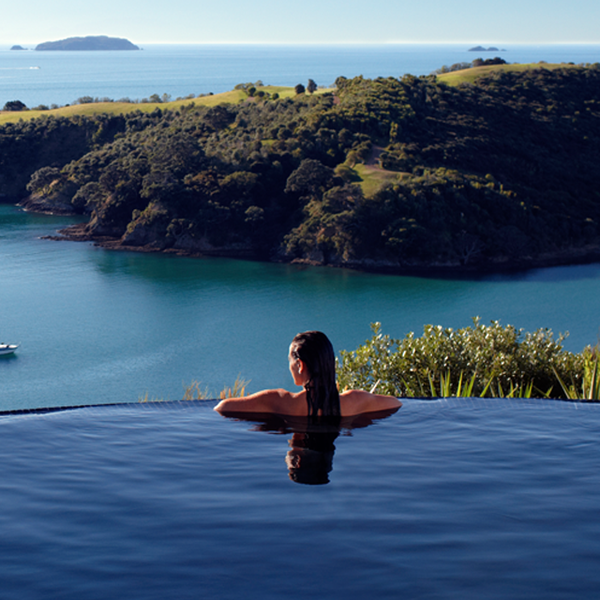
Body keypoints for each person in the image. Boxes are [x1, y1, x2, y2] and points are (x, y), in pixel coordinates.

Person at [214, 330, 402, 417]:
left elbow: (223, 407)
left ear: (300, 365)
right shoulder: (356, 401)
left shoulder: (279, 401)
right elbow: (396, 403)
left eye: (290, 360)